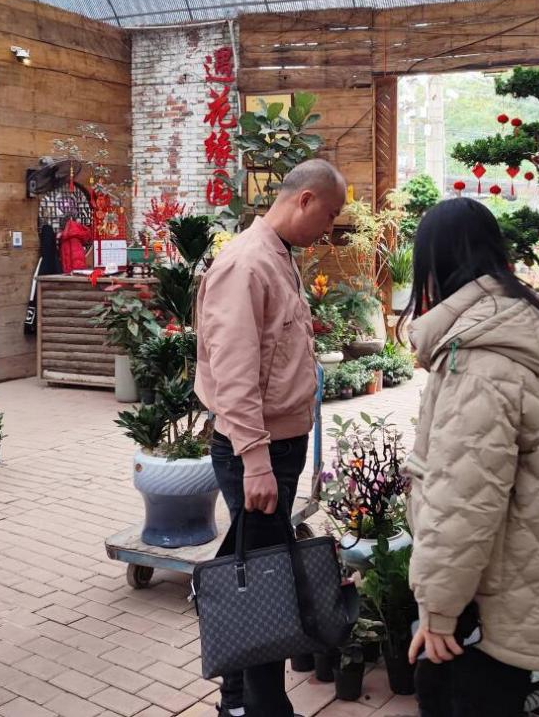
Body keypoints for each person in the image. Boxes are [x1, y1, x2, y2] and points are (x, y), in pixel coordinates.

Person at [402, 197, 539, 717]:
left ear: (436, 264)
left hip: (483, 602)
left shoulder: (480, 362)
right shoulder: (517, 329)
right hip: (513, 587)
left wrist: (440, 610)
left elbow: (463, 502)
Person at [195, 158, 347, 717]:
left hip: (274, 445)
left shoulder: (277, 255)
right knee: (264, 582)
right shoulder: (247, 263)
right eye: (328, 215)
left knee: (253, 570)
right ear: (305, 200)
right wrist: (255, 460)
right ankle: (261, 707)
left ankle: (237, 701)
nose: (328, 229)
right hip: (255, 450)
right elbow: (233, 372)